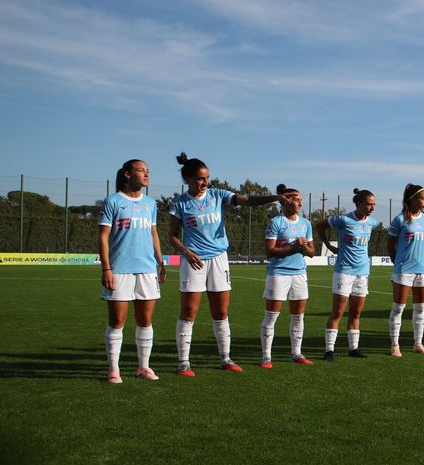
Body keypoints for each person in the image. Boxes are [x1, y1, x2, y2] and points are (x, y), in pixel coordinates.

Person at [169, 153, 289, 376]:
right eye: (200, 179)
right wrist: (186, 252)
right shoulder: (180, 203)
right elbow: (172, 236)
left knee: (221, 312)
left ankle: (225, 358)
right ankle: (183, 363)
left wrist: (275, 198)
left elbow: (247, 200)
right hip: (194, 261)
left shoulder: (217, 195)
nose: (205, 182)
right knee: (188, 311)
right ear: (187, 178)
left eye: (207, 178)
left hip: (218, 259)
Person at [99, 159, 166, 384]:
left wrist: (160, 262)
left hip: (147, 269)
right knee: (118, 320)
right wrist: (107, 268)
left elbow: (154, 234)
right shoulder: (113, 201)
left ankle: (143, 367)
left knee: (145, 320)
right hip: (119, 269)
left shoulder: (150, 203)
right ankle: (114, 370)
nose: (146, 175)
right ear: (127, 174)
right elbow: (103, 237)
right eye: (141, 171)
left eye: (148, 171)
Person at [317, 188, 378, 360]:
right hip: (344, 271)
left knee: (356, 313)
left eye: (374, 204)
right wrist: (329, 246)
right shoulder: (344, 220)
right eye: (368, 204)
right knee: (338, 312)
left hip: (362, 272)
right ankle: (329, 350)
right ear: (358, 203)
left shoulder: (372, 223)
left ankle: (353, 348)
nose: (372, 208)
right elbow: (320, 225)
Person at [259, 184, 315, 369]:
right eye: (297, 199)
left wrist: (304, 247)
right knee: (271, 316)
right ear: (287, 200)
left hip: (299, 274)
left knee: (298, 316)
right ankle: (266, 357)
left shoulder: (306, 224)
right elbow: (270, 252)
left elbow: (312, 252)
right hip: (278, 273)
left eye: (301, 199)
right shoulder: (276, 222)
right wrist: (293, 246)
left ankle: (296, 353)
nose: (300, 203)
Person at [387, 183, 424, 357]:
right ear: (412, 199)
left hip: (422, 270)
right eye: (422, 198)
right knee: (398, 308)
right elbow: (390, 245)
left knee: (420, 309)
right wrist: (398, 263)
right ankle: (394, 345)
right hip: (403, 270)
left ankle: (418, 343)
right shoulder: (399, 220)